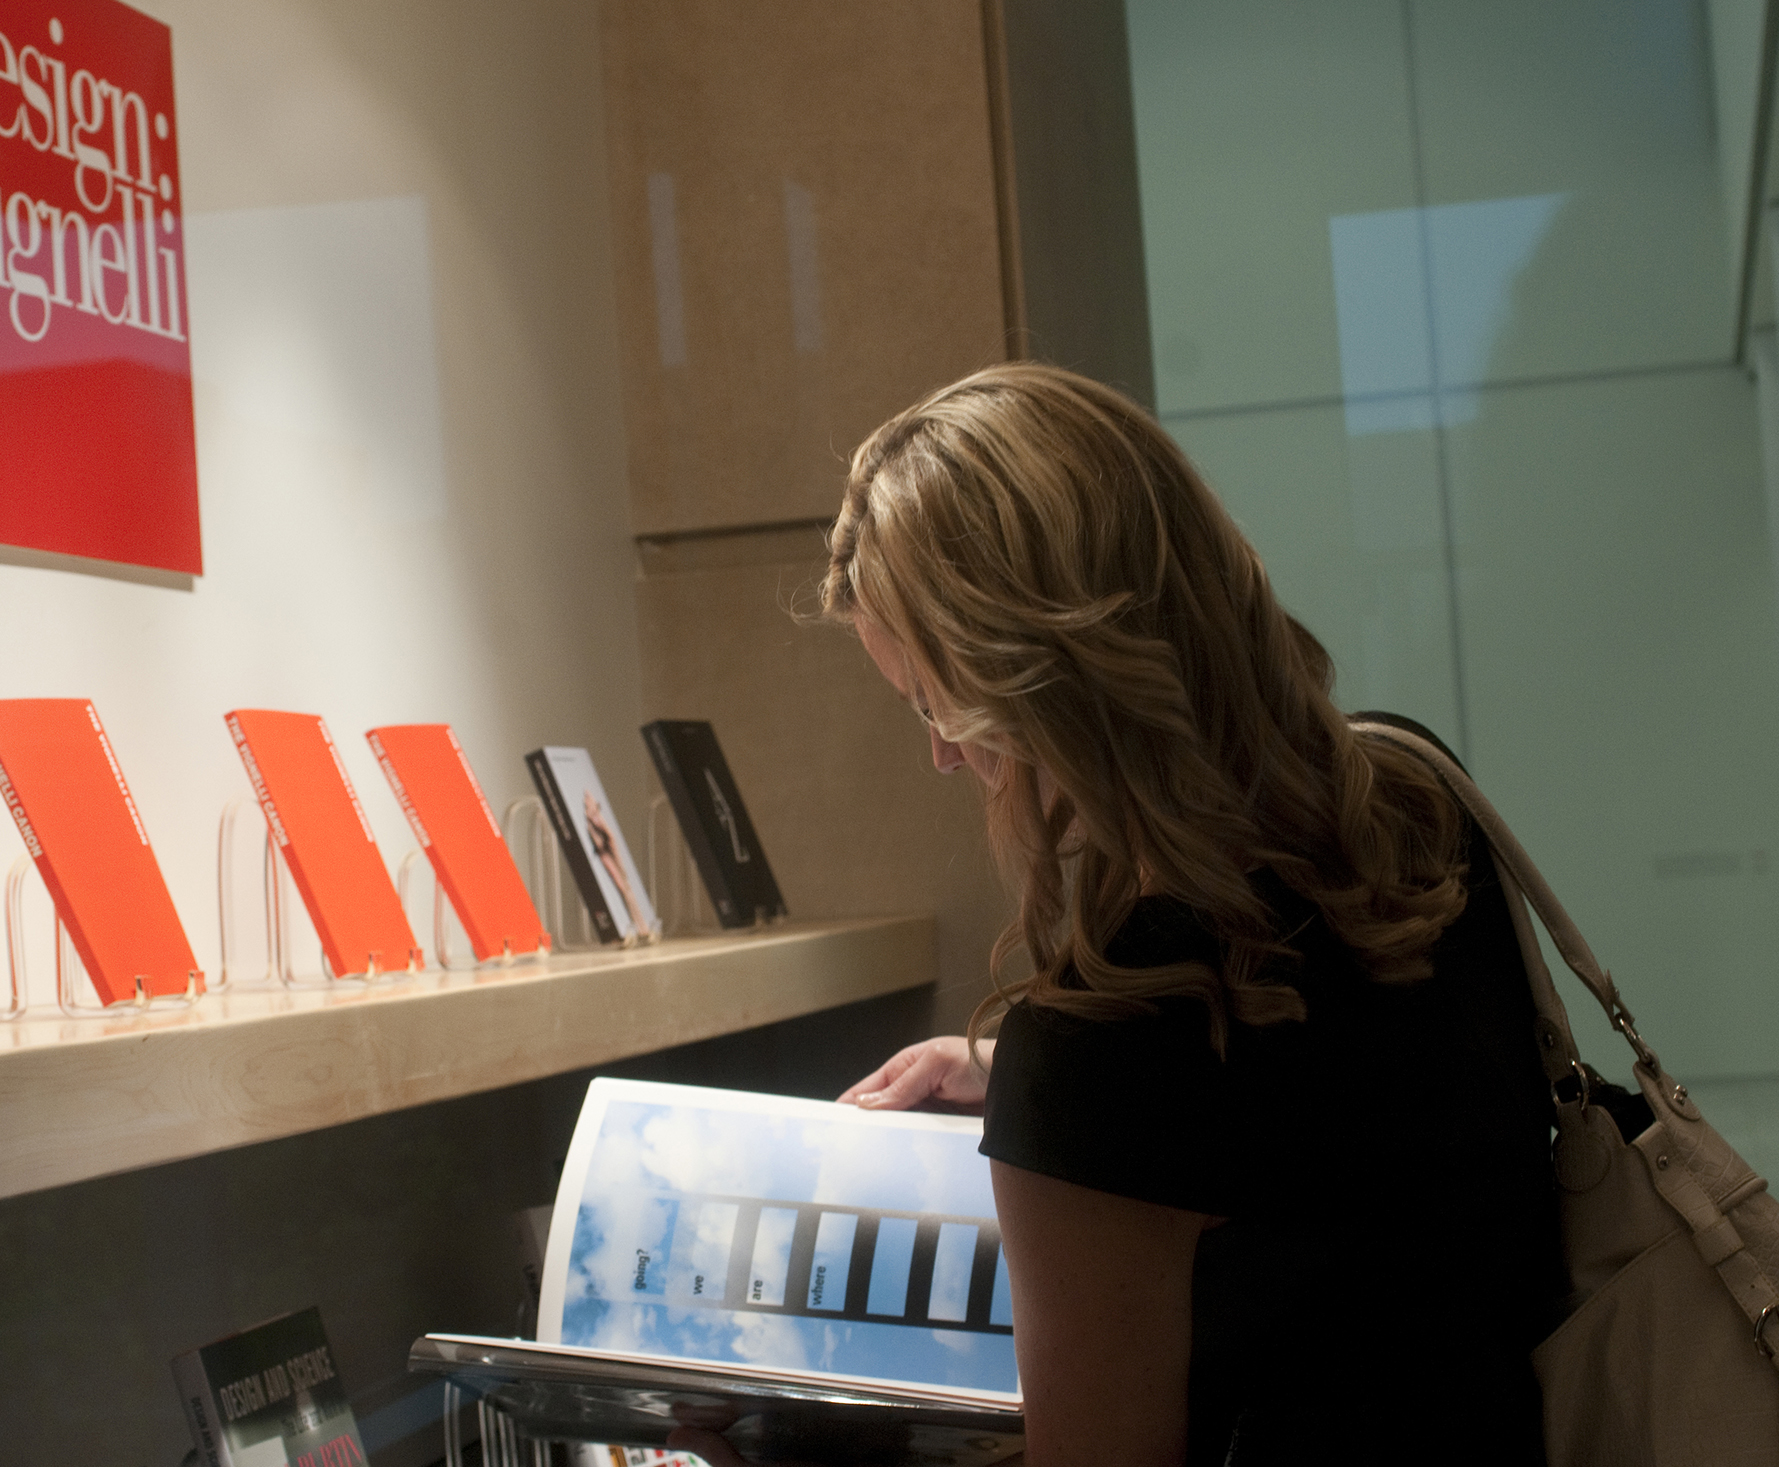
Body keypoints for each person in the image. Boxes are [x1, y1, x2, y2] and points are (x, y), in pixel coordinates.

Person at [670, 363, 1563, 1467]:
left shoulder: (1096, 1058)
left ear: (1040, 671)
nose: (942, 753)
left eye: (937, 702)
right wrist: (1013, 1075)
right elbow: (1317, 1109)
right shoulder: (1410, 807)